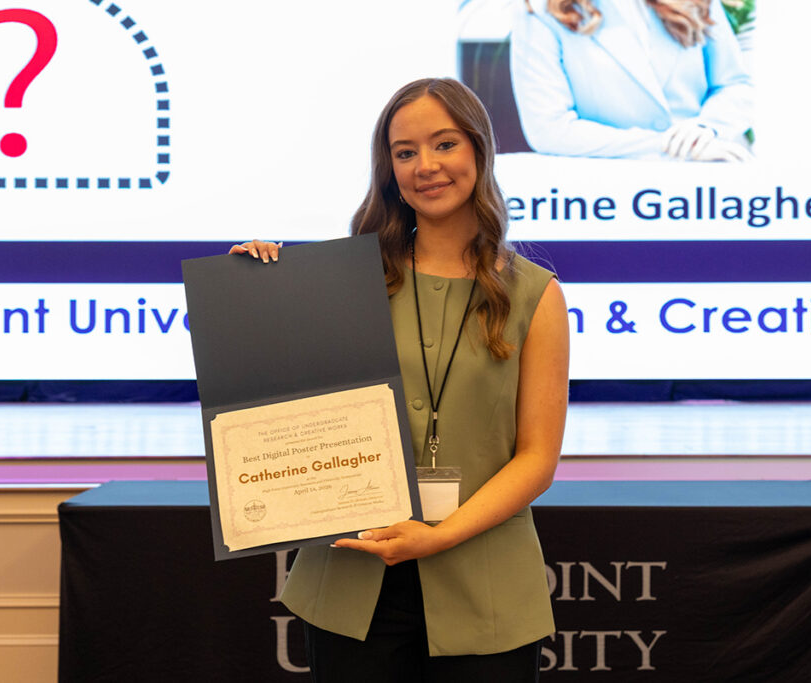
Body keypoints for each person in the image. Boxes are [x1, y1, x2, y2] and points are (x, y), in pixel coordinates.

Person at [230, 77, 569, 681]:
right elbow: (275, 400)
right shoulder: (340, 281)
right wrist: (254, 294)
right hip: (352, 582)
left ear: (480, 152)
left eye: (444, 144)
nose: (426, 166)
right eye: (405, 152)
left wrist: (437, 538)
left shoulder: (535, 296)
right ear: (388, 168)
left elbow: (537, 459)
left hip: (485, 586)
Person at [510, 0, 755, 161]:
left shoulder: (697, 3)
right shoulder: (541, 11)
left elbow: (734, 84)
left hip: (705, 193)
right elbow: (549, 128)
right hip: (601, 199)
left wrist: (707, 127)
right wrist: (669, 146)